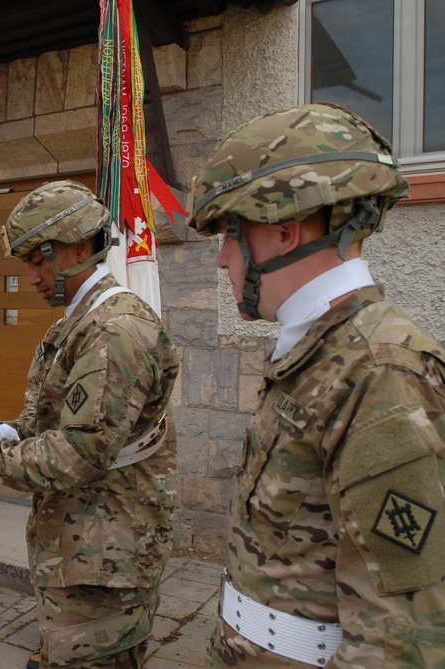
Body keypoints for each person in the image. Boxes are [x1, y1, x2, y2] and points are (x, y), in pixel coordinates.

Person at [186, 102, 445, 668]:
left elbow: (404, 641)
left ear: (283, 231)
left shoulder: (380, 371)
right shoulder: (320, 348)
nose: (223, 260)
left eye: (230, 235)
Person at [0, 180, 179, 668]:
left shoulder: (114, 333)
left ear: (81, 247)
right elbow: (56, 417)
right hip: (79, 544)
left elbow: (75, 453)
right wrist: (7, 430)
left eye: (39, 260)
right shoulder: (74, 324)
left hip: (107, 555)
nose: (32, 276)